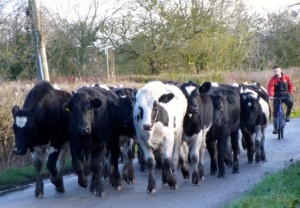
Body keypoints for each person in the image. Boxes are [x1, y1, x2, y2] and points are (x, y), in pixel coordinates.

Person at [267, 65, 294, 134]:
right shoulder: (273, 80)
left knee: (290, 103)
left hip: (286, 95)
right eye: (275, 71)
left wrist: (290, 92)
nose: (276, 72)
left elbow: (291, 85)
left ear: (280, 70)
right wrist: (271, 96)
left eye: (277, 70)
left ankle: (287, 115)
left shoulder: (286, 77)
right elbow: (270, 88)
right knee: (275, 113)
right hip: (277, 96)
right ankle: (275, 128)